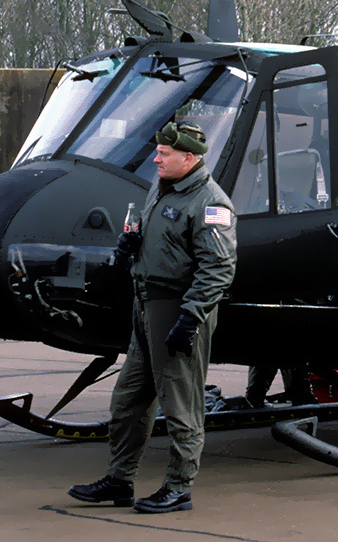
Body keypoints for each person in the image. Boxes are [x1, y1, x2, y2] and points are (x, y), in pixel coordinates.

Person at [68, 121, 236, 514]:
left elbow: (219, 269)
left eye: (165, 153)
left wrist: (190, 319)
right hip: (145, 305)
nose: (156, 158)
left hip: (177, 308)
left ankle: (179, 487)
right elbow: (162, 238)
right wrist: (133, 244)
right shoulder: (160, 190)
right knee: (128, 401)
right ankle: (119, 480)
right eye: (158, 151)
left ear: (189, 159)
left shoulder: (212, 204)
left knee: (180, 404)